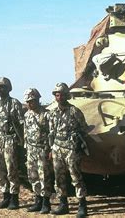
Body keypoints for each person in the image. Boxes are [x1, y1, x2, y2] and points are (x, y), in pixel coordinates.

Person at [48, 82, 89, 217]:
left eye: (61, 94)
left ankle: (82, 205)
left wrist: (78, 145)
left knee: (76, 177)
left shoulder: (74, 111)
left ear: (66, 96)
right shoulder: (53, 113)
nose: (58, 97)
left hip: (71, 149)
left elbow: (83, 129)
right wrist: (51, 149)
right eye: (56, 94)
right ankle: (63, 204)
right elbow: (51, 132)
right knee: (59, 178)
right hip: (57, 148)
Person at [0, 77, 23, 210]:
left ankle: (14, 198)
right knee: (0, 169)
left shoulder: (14, 103)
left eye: (3, 87)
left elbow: (21, 123)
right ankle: (5, 196)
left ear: (8, 88)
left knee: (11, 169)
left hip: (9, 138)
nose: (0, 90)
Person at [23, 88, 52, 214]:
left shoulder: (46, 114)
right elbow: (25, 132)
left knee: (44, 176)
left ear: (38, 100)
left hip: (42, 149)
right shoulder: (27, 115)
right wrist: (26, 147)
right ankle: (38, 200)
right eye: (28, 101)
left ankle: (46, 203)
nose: (30, 104)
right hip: (31, 149)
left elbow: (52, 133)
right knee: (33, 176)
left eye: (32, 101)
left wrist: (50, 149)